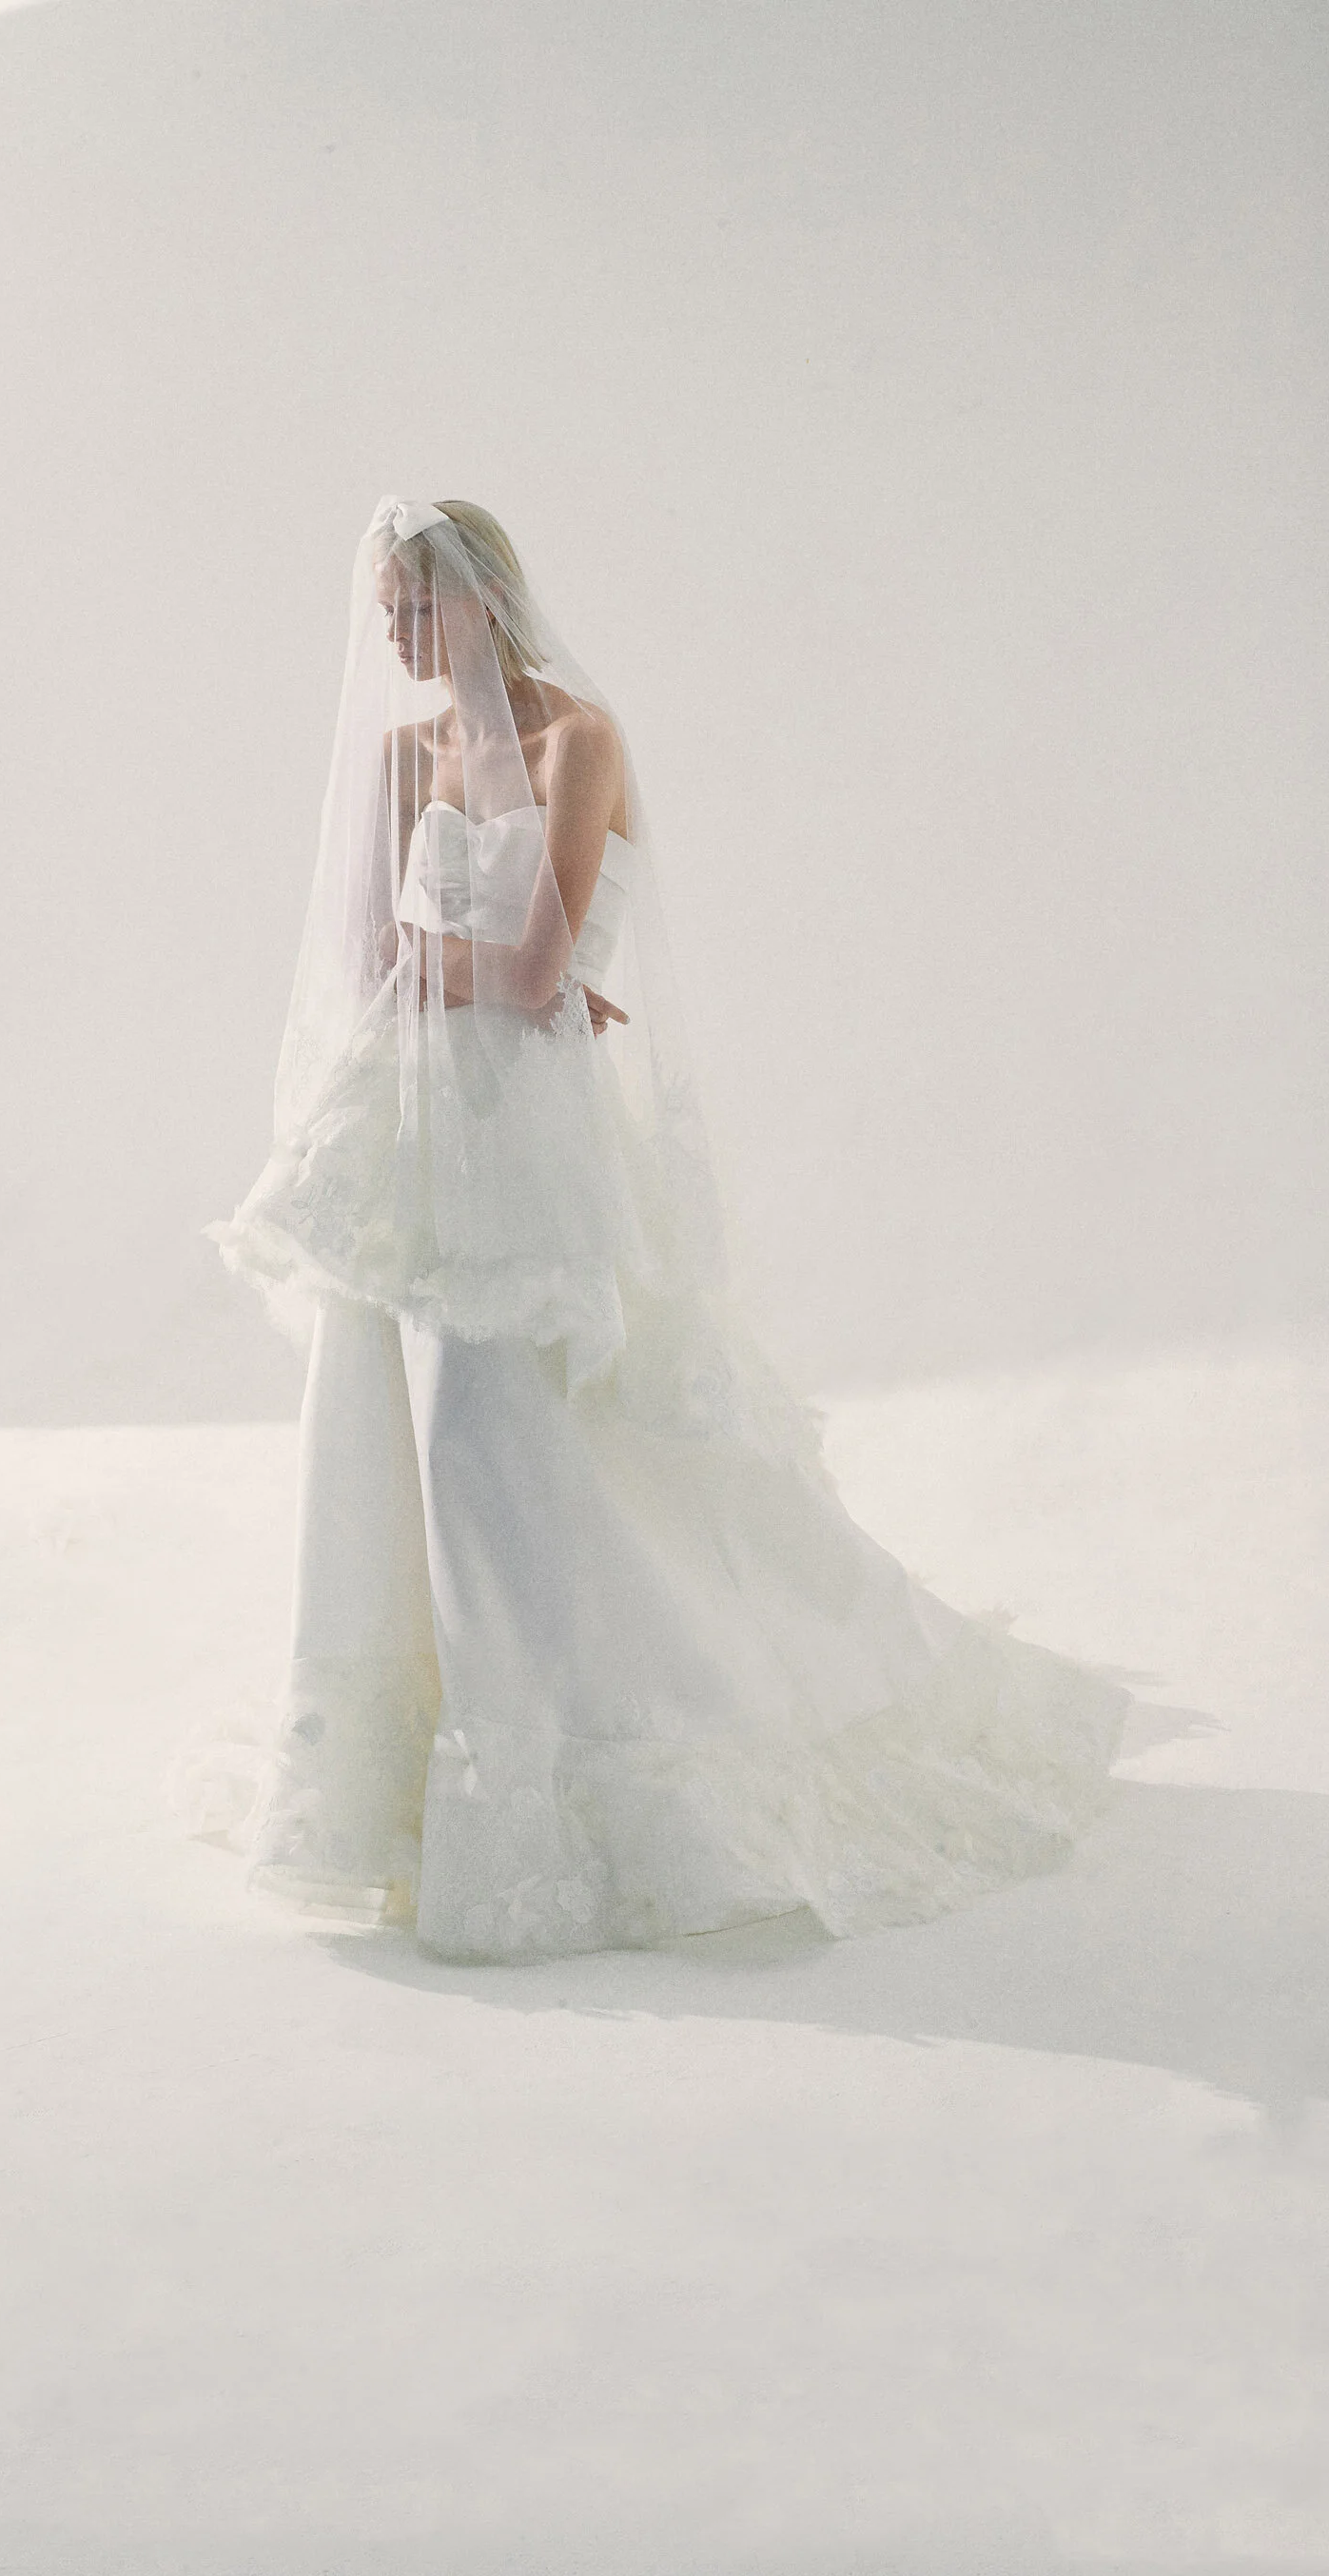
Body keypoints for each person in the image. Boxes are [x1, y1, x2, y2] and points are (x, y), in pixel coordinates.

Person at [199, 493, 1130, 1962]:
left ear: (485, 597)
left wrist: (496, 972)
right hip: (405, 1147)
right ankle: (390, 1787)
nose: (398, 636)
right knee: (379, 1439)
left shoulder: (580, 741)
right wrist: (499, 973)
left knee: (507, 1446)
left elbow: (529, 969)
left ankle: (592, 1760)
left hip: (533, 1154)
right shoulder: (395, 758)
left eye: (418, 606)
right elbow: (388, 961)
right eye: (385, 611)